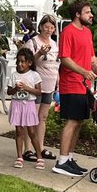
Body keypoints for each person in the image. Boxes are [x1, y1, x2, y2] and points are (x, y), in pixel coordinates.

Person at [53, 0, 97, 177]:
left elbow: (92, 58)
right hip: (71, 83)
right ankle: (61, 161)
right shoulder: (68, 32)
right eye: (87, 12)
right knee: (71, 121)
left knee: (78, 122)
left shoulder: (87, 32)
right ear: (78, 14)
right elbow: (65, 58)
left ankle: (69, 158)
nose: (91, 15)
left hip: (83, 85)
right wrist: (84, 72)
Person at [24, 14, 59, 163]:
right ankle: (27, 149)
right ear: (40, 27)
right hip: (36, 85)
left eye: (52, 27)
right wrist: (40, 53)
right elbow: (28, 62)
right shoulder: (33, 42)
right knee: (31, 117)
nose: (49, 30)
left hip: (50, 85)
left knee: (42, 118)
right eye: (46, 27)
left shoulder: (54, 44)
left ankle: (40, 147)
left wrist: (58, 79)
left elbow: (56, 63)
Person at [7, 48, 44, 169]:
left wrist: (27, 88)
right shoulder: (14, 75)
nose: (20, 64)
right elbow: (9, 92)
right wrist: (16, 89)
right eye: (18, 61)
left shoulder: (34, 75)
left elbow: (39, 92)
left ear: (29, 63)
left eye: (23, 61)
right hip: (17, 104)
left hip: (29, 105)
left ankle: (39, 157)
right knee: (19, 131)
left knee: (32, 131)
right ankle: (19, 157)